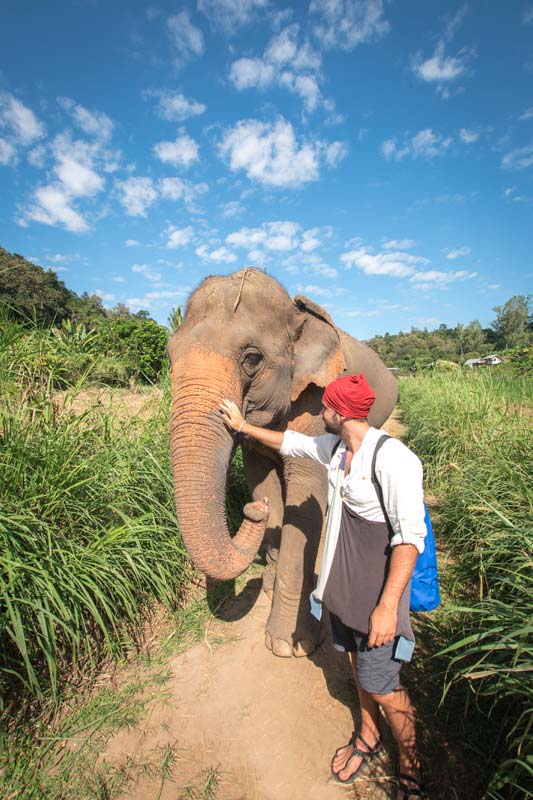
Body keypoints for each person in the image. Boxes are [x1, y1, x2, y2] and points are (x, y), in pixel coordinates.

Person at [219, 373, 428, 800]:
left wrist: (387, 608)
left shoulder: (395, 460)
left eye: (324, 407)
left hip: (377, 595)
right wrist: (241, 426)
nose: (318, 413)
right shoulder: (335, 449)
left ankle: (412, 768)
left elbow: (410, 540)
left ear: (339, 412)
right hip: (345, 591)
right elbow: (291, 444)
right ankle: (368, 739)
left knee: (385, 687)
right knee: (358, 669)